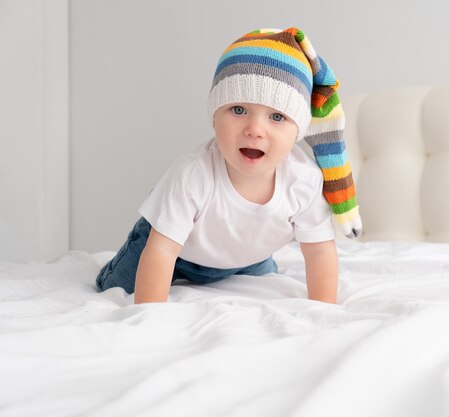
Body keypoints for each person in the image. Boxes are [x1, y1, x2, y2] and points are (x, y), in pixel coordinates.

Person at [95, 27, 362, 304]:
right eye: (238, 110)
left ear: (298, 131)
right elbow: (162, 250)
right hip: (176, 251)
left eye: (277, 117)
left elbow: (319, 250)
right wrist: (150, 315)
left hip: (248, 258)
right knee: (115, 288)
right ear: (214, 116)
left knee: (265, 278)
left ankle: (236, 267)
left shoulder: (304, 179)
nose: (255, 129)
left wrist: (324, 309)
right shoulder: (192, 174)